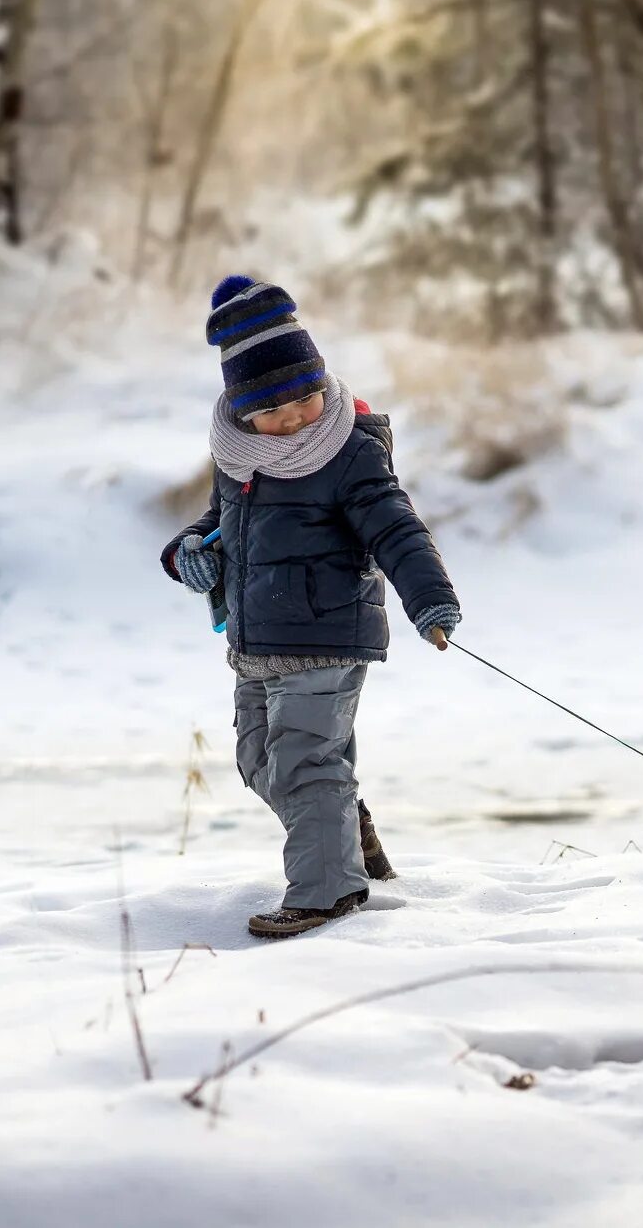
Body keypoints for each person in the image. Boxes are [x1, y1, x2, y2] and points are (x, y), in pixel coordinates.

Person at [161, 275, 461, 939]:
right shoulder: (240, 458)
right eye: (276, 407)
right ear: (243, 412)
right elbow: (213, 527)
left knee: (304, 762)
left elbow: (396, 528)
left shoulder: (348, 452)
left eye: (307, 395)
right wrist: (189, 554)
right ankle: (342, 826)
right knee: (259, 760)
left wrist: (430, 598)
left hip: (328, 635)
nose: (296, 415)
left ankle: (330, 890)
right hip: (255, 640)